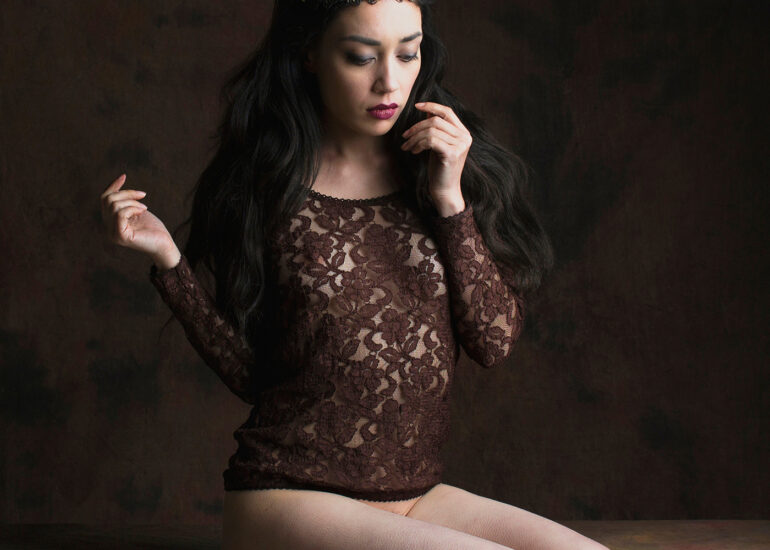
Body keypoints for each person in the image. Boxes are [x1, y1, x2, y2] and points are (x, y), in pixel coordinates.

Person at [101, 1, 609, 549]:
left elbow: (493, 341)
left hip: (415, 495)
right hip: (288, 495)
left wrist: (449, 201)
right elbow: (253, 376)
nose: (390, 81)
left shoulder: (442, 168)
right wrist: (169, 263)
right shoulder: (265, 187)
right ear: (311, 54)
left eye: (408, 53)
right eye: (361, 57)